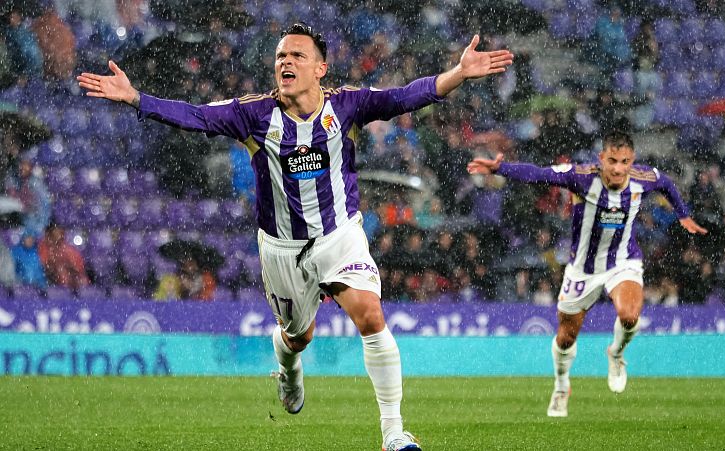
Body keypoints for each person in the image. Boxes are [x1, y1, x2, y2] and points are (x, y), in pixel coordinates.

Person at [77, 22, 513, 451]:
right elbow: (196, 116)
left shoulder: (348, 106)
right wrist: (136, 98)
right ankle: (289, 368)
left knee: (369, 314)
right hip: (283, 249)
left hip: (338, 236)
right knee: (298, 336)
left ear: (320, 69)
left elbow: (404, 97)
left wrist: (458, 74)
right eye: (281, 56)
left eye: (297, 55)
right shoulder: (254, 114)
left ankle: (393, 434)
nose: (285, 62)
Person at [467, 130, 707, 417]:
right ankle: (561, 385)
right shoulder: (580, 177)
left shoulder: (643, 178)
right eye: (612, 161)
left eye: (625, 162)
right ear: (601, 158)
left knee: (630, 316)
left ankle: (616, 353)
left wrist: (683, 214)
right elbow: (538, 174)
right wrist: (500, 168)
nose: (618, 169)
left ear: (632, 161)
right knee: (566, 337)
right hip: (583, 269)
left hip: (622, 261)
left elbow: (666, 183)